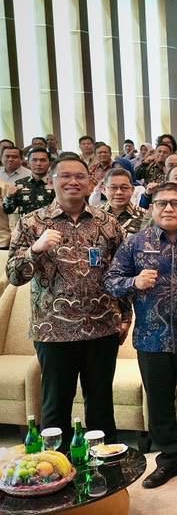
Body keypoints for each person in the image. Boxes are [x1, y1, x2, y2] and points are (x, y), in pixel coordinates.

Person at [7, 155, 127, 443]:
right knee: (55, 407)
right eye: (65, 176)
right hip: (54, 331)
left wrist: (125, 317)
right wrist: (34, 250)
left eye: (80, 176)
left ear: (90, 183)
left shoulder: (108, 224)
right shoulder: (31, 223)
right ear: (51, 181)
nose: (73, 181)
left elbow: (120, 275)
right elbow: (14, 275)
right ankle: (56, 474)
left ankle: (104, 471)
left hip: (102, 328)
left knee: (100, 405)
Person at [104, 182, 177, 488]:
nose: (168, 208)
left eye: (176, 203)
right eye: (162, 203)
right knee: (160, 402)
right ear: (152, 207)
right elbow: (111, 281)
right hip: (152, 339)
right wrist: (134, 282)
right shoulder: (135, 243)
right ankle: (167, 460)